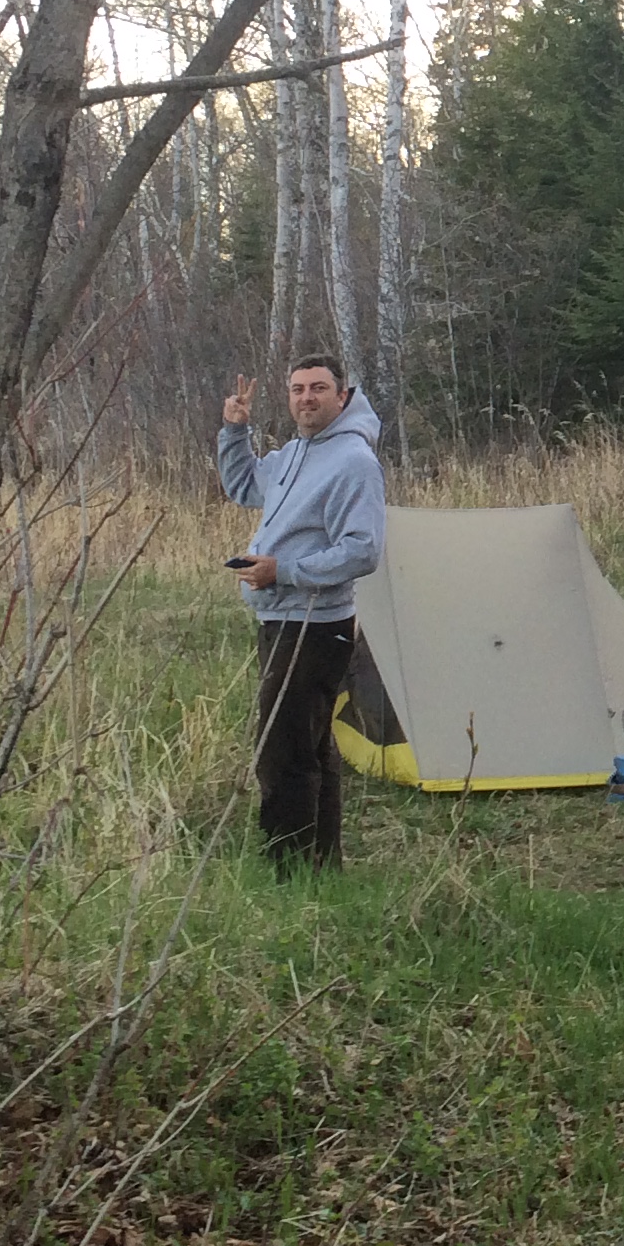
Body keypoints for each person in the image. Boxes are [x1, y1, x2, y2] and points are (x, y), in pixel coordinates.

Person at [218, 356, 386, 870]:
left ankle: (286, 870)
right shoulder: (293, 454)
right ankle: (319, 867)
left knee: (283, 753)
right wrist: (234, 430)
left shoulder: (354, 461)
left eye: (318, 388)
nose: (305, 398)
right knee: (311, 747)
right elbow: (244, 486)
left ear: (343, 395)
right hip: (280, 618)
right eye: (296, 389)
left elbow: (363, 550)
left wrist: (282, 571)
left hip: (315, 623)